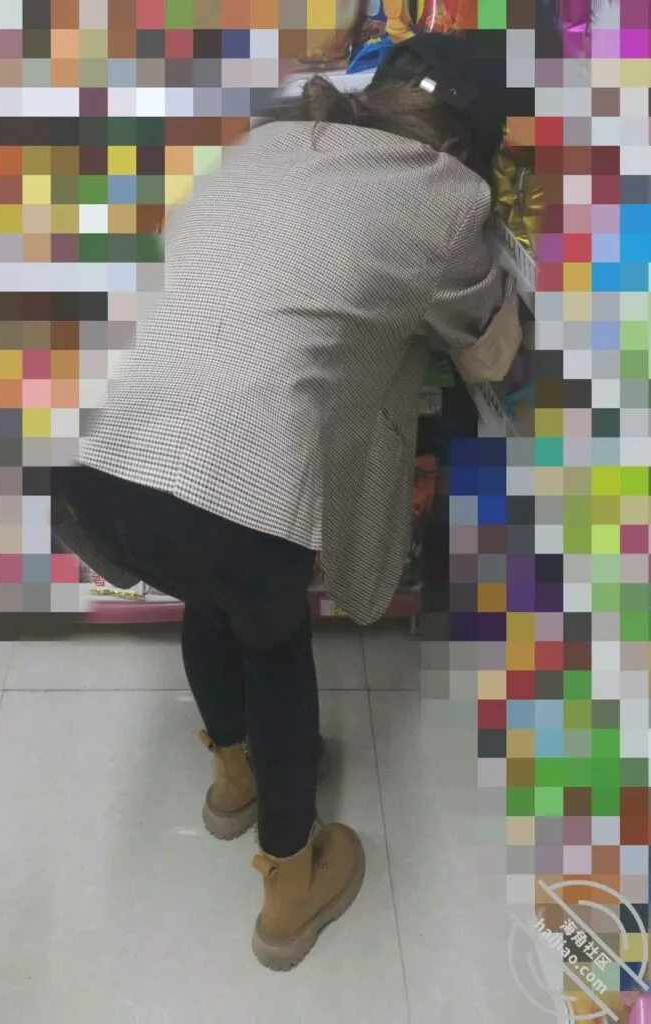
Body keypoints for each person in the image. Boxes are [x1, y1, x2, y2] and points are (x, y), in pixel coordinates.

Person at [52, 31, 522, 971]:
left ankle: (233, 781)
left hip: (95, 453)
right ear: (468, 144)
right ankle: (290, 886)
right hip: (225, 487)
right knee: (272, 647)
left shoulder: (264, 138)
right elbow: (490, 349)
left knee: (209, 599)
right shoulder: (448, 195)